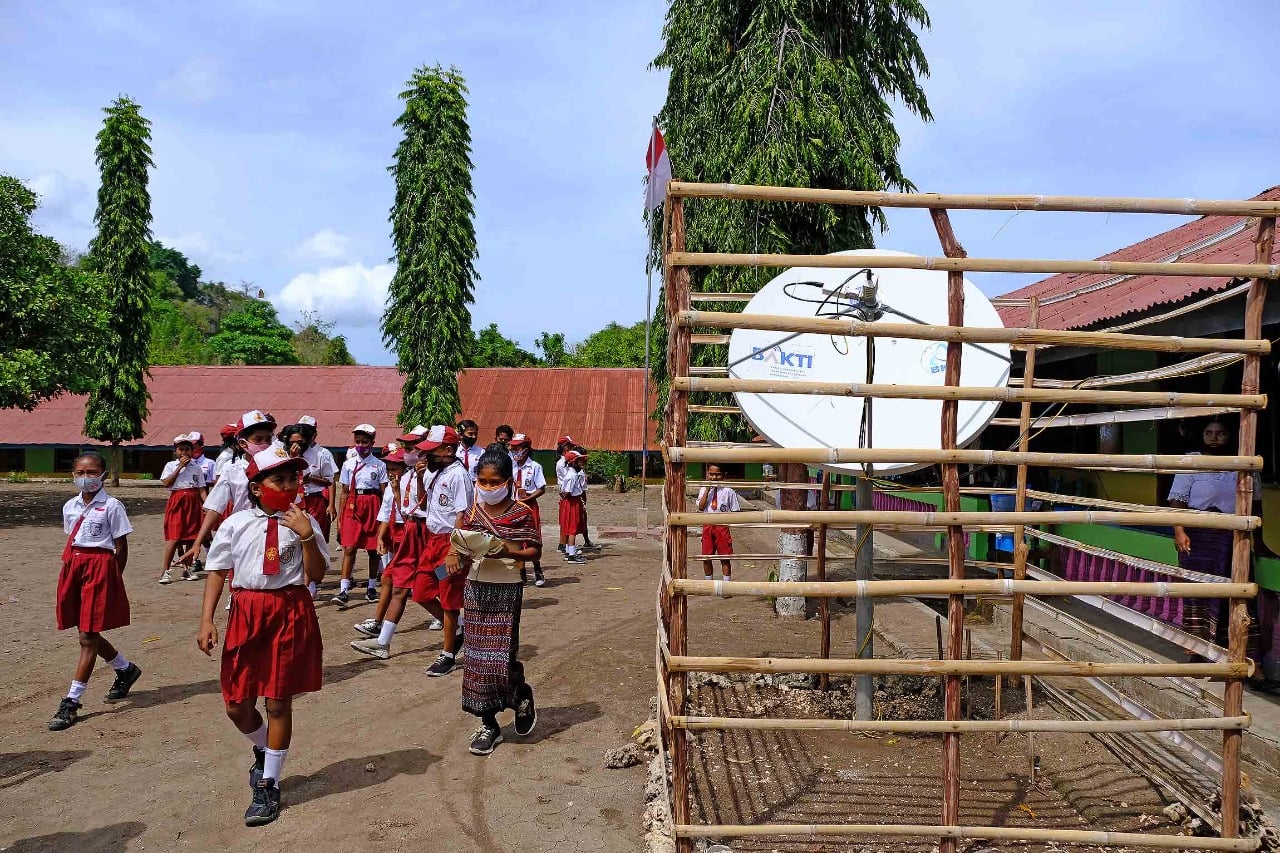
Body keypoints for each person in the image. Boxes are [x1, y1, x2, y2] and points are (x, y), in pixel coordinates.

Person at [197, 446, 328, 827]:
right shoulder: (235, 524)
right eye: (278, 480)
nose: (288, 486)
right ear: (256, 487)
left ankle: (269, 783)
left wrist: (305, 536)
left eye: (293, 479)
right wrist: (206, 620)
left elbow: (315, 573)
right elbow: (218, 572)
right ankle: (265, 747)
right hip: (247, 612)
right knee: (237, 704)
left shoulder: (305, 522)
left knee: (277, 702)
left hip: (289, 610)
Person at [352, 425, 472, 668]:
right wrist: (419, 477)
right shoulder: (436, 471)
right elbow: (424, 500)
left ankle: (448, 653)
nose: (425, 456)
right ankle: (459, 628)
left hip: (450, 543)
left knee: (448, 596)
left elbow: (463, 516)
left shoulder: (458, 475)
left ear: (448, 450)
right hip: (431, 541)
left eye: (432, 451)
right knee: (422, 590)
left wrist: (454, 552)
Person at [451, 448, 542, 755]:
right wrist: (455, 557)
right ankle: (488, 723)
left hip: (507, 588)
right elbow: (462, 551)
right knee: (477, 659)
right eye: (483, 481)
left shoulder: (521, 513)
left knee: (501, 656)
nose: (488, 487)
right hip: (476, 589)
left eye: (495, 482)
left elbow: (534, 552)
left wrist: (508, 552)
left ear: (508, 481)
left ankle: (519, 695)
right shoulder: (470, 514)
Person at [48, 451, 143, 731]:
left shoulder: (112, 506)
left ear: (103, 474)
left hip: (101, 567)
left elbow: (121, 547)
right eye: (80, 473)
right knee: (83, 629)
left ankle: (71, 701)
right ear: (73, 475)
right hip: (74, 566)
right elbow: (73, 538)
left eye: (92, 473)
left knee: (88, 636)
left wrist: (113, 578)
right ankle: (125, 669)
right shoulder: (70, 506)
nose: (86, 478)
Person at [1168, 417, 1265, 668]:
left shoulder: (1244, 463)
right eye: (1209, 432)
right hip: (1198, 538)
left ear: (1231, 435)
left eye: (1220, 433)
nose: (1214, 437)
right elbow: (1177, 502)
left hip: (1233, 537)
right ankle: (1197, 652)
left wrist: (1259, 543)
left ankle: (1240, 654)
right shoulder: (1191, 461)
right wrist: (1179, 531)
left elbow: (1256, 506)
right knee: (1197, 593)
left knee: (1234, 595)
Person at [184, 411, 278, 566]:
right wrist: (198, 542)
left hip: (275, 529)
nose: (265, 444)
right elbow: (214, 508)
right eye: (258, 439)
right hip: (244, 531)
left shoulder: (279, 469)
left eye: (268, 439)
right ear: (243, 443)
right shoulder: (232, 470)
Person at [331, 424, 387, 606]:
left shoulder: (379, 465)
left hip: (372, 504)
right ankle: (344, 589)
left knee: (372, 549)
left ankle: (371, 587)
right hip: (353, 505)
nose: (361, 445)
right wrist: (340, 518)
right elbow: (344, 492)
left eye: (365, 442)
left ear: (372, 443)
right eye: (358, 442)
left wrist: (384, 516)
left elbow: (383, 491)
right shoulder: (348, 464)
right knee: (349, 547)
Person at [159, 434, 208, 584]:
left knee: (191, 537)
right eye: (181, 449)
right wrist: (179, 467)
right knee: (175, 537)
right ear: (176, 451)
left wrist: (207, 505)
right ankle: (166, 571)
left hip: (193, 501)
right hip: (177, 500)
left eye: (188, 449)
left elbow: (201, 489)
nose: (184, 452)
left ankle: (187, 569)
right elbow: (166, 483)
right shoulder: (170, 465)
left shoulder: (196, 467)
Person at [290, 419, 339, 543]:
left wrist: (331, 505)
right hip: (295, 500)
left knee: (316, 535)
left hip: (315, 499)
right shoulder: (289, 452)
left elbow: (330, 480)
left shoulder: (322, 454)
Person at [509, 434, 547, 586]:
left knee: (532, 538)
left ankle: (537, 570)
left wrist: (528, 498)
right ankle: (522, 573)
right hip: (513, 506)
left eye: (517, 448)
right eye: (512, 448)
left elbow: (542, 488)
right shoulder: (510, 466)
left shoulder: (535, 467)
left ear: (525, 449)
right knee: (516, 539)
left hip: (529, 506)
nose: (513, 450)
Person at [697, 463, 741, 581]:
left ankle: (726, 586)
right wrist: (707, 489)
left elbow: (735, 511)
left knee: (725, 558)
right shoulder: (703, 490)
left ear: (723, 475)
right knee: (706, 558)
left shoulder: (729, 491)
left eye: (717, 474)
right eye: (711, 474)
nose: (714, 477)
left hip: (722, 527)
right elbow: (701, 507)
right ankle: (709, 584)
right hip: (707, 526)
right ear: (707, 474)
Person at [558, 449, 589, 564]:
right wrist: (564, 494)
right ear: (573, 462)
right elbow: (568, 492)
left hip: (569, 502)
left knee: (568, 526)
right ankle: (571, 555)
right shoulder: (572, 476)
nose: (581, 463)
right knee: (572, 528)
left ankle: (568, 550)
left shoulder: (571, 474)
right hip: (572, 502)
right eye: (579, 461)